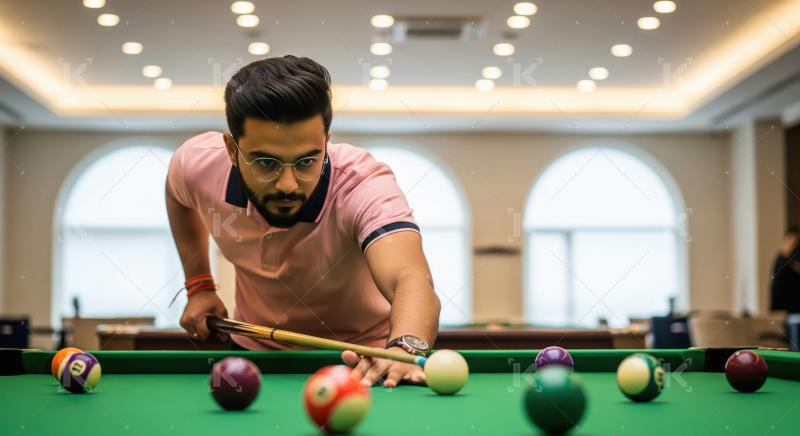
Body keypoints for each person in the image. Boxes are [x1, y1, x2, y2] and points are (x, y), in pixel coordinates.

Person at [166, 56, 441, 387]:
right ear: (232, 150)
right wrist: (199, 286)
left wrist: (405, 346)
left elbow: (409, 277)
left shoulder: (363, 184)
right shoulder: (197, 163)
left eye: (307, 161)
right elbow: (177, 195)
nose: (288, 184)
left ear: (326, 143)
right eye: (266, 163)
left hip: (369, 362)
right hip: (253, 355)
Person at [769, 226, 800, 350]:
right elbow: (777, 281)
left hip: (797, 306)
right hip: (788, 309)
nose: (792, 242)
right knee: (794, 344)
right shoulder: (780, 257)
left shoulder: (797, 256)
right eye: (790, 239)